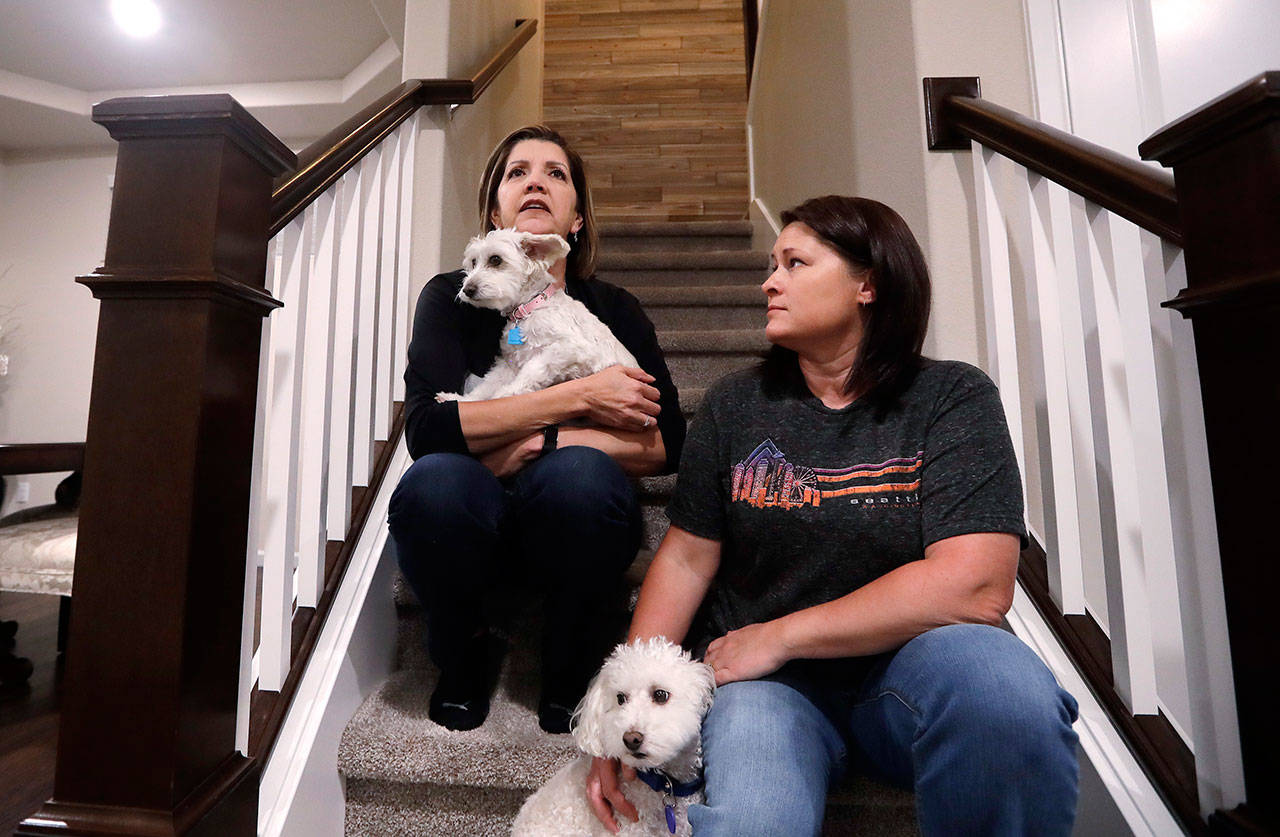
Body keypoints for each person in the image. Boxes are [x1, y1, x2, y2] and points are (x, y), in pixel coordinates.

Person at [586, 196, 1079, 835]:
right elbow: (684, 559)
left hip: (912, 672)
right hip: (767, 690)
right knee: (756, 819)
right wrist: (621, 707)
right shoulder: (735, 406)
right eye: (771, 265)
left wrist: (780, 636)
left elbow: (975, 585)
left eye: (795, 263)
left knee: (1003, 692)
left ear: (867, 284)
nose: (769, 282)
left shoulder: (952, 398)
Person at [389, 125, 686, 734]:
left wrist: (539, 443)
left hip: (576, 517)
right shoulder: (452, 297)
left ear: (575, 221)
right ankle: (463, 649)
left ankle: (569, 655)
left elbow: (668, 441)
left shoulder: (613, 309)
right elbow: (429, 427)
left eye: (556, 174)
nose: (535, 183)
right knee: (432, 485)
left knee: (579, 478)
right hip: (475, 517)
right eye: (516, 172)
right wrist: (578, 398)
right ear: (493, 214)